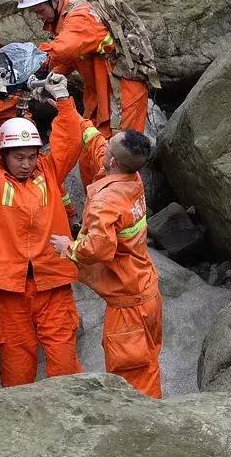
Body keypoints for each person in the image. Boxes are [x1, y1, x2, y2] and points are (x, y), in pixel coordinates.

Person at [0, 69, 84, 386]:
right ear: (4, 156)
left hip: (53, 285)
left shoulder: (48, 172)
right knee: (17, 371)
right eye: (19, 157)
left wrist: (63, 100)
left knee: (65, 367)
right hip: (10, 292)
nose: (27, 163)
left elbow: (70, 140)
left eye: (32, 156)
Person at [51, 125, 162, 398]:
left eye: (108, 148)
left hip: (127, 306)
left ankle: (143, 427)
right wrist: (71, 111)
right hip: (147, 292)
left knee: (132, 376)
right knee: (148, 362)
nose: (104, 147)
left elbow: (98, 248)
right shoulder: (131, 179)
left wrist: (69, 248)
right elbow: (100, 144)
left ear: (112, 161)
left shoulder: (107, 201)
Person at [16, 0, 149, 138]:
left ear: (54, 1)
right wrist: (48, 76)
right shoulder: (67, 18)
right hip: (100, 92)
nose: (38, 17)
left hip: (123, 95)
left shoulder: (81, 16)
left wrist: (32, 62)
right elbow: (71, 58)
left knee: (117, 156)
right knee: (90, 152)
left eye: (40, 11)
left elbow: (65, 48)